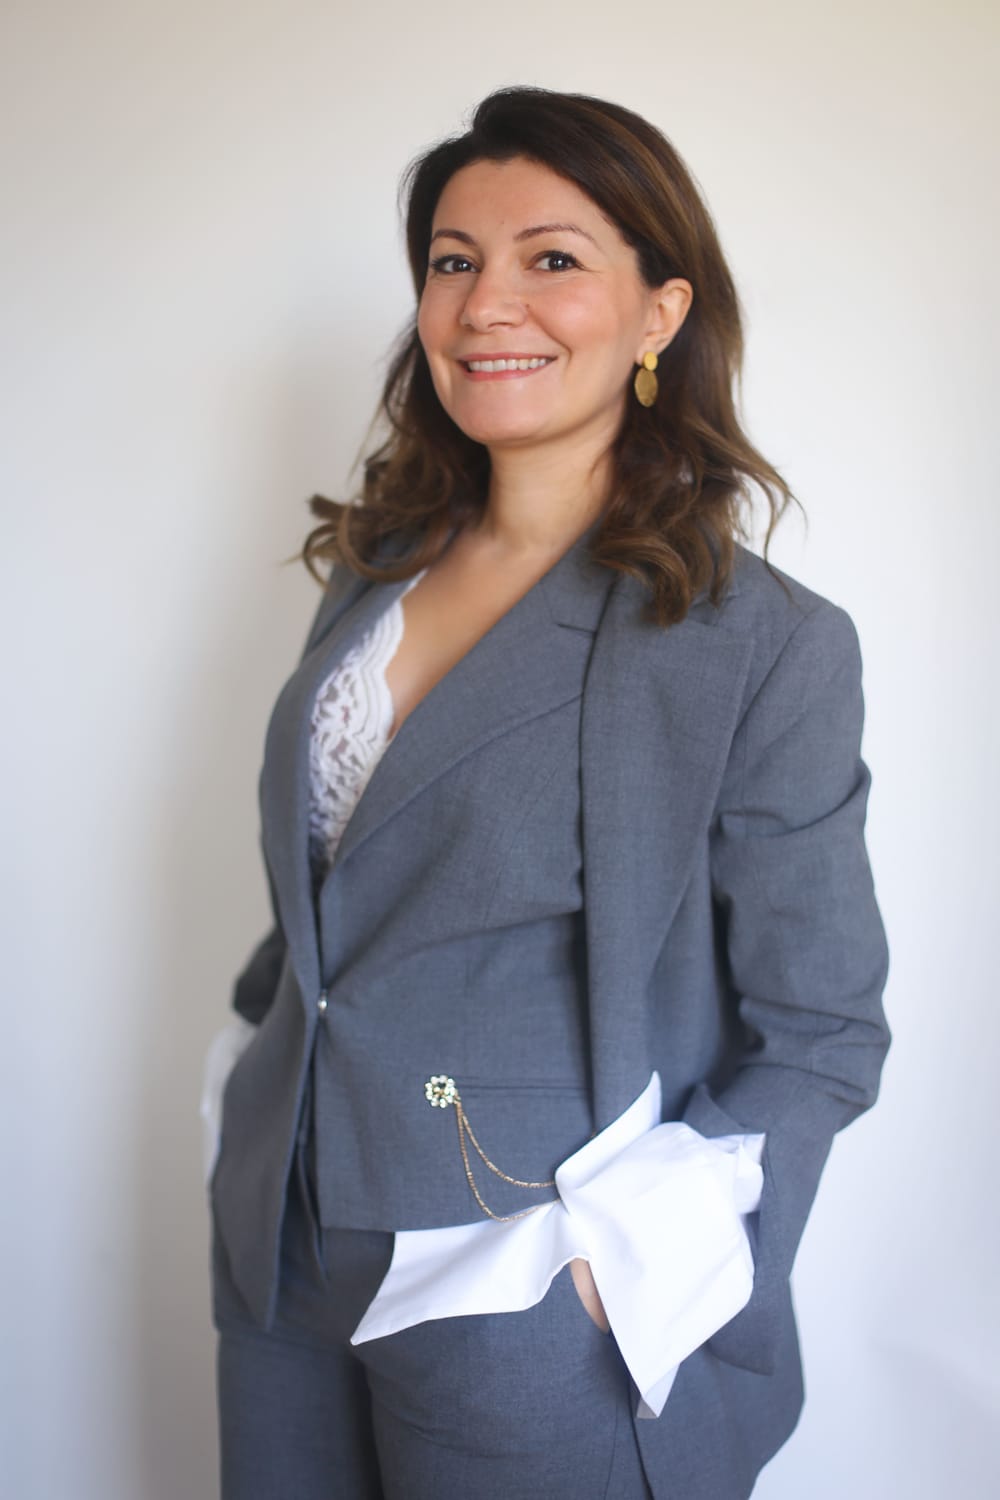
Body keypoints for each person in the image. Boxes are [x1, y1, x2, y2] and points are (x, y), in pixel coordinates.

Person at [202, 85, 890, 1500]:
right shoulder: (372, 572)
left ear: (660, 313)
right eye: (453, 260)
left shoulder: (758, 644)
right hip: (283, 1241)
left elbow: (822, 1029)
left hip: (522, 1285)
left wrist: (601, 1272)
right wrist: (244, 1087)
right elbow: (335, 896)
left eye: (552, 258)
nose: (484, 304)